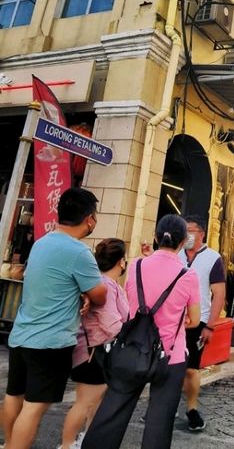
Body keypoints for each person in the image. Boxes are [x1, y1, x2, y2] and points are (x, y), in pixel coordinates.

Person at [82, 215, 200, 449]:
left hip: (132, 349)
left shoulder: (135, 265)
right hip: (170, 356)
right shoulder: (188, 276)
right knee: (159, 422)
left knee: (112, 413)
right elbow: (194, 320)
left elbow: (135, 301)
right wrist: (177, 320)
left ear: (156, 237)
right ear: (183, 241)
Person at [3, 188, 106, 449]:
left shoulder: (41, 242)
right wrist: (86, 293)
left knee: (14, 397)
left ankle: (8, 443)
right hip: (50, 343)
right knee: (33, 408)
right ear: (89, 219)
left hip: (21, 335)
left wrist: (78, 292)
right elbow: (101, 295)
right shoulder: (79, 252)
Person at [61, 238, 129, 449]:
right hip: (93, 353)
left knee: (94, 404)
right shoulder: (105, 285)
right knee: (85, 403)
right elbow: (112, 325)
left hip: (96, 352)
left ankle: (85, 441)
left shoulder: (105, 283)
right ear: (121, 261)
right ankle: (67, 445)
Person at [178, 214, 226, 433]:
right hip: (171, 320)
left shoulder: (213, 258)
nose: (186, 235)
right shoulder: (175, 253)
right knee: (165, 367)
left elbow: (218, 294)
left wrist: (210, 325)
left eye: (191, 230)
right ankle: (162, 406)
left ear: (202, 233)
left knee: (191, 368)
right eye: (183, 230)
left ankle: (191, 408)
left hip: (197, 322)